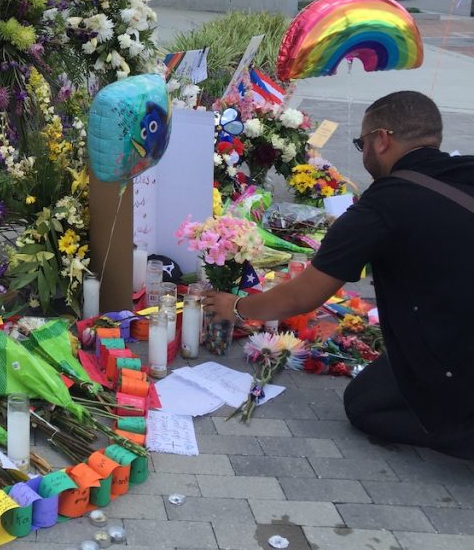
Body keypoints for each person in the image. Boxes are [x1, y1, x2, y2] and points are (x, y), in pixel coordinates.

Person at [203, 91, 474, 460]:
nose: (362, 153)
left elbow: (304, 296)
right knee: (374, 389)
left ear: (381, 139)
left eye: (361, 142)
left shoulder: (384, 204)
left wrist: (236, 305)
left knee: (365, 407)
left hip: (457, 352)